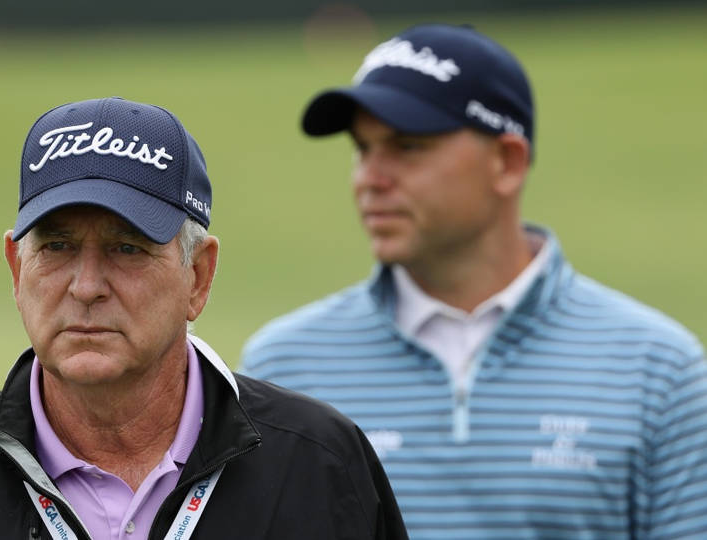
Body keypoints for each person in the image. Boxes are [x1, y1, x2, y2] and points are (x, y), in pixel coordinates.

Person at [0, 97, 409, 540]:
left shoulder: (320, 467)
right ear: (17, 269)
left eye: (128, 249)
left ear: (199, 277)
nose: (86, 287)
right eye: (58, 246)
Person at [241, 23, 707, 539]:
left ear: (506, 163)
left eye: (407, 146)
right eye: (363, 148)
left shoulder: (658, 371)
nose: (369, 178)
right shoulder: (282, 366)